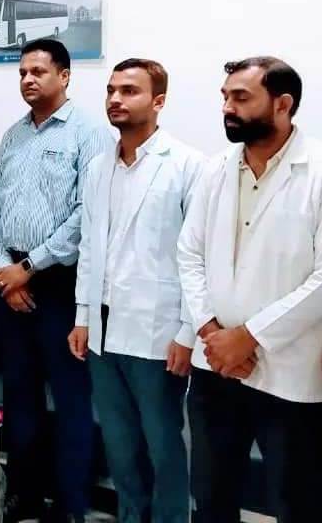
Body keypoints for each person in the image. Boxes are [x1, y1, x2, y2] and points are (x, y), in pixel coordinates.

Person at [179, 57, 322, 523]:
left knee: (296, 503)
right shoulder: (215, 169)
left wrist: (248, 337)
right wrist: (211, 331)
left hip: (289, 372)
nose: (227, 107)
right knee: (211, 496)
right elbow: (189, 253)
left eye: (241, 98)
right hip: (215, 367)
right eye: (225, 97)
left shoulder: (317, 170)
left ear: (283, 104)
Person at [68, 59, 203, 523]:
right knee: (120, 446)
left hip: (159, 333)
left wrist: (188, 332)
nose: (115, 99)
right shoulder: (98, 167)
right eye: (111, 90)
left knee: (165, 446)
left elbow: (198, 257)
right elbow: (89, 248)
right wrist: (82, 317)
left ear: (158, 101)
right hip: (104, 331)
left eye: (129, 91)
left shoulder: (187, 166)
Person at [0, 39, 112, 523]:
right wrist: (8, 270)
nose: (28, 79)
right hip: (13, 284)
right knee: (20, 397)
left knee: (71, 399)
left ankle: (71, 505)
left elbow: (86, 214)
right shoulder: (14, 135)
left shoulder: (88, 133)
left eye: (38, 71)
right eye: (22, 72)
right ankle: (25, 494)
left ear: (64, 76)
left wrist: (30, 267)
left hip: (62, 283)